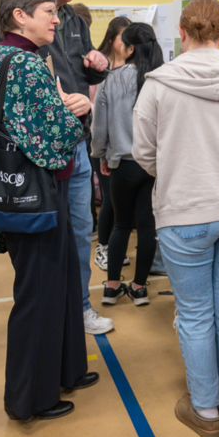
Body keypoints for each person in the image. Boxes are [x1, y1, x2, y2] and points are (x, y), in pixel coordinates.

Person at [132, 0, 219, 437]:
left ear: (181, 34)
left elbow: (143, 152)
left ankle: (204, 410)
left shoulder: (158, 85)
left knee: (194, 313)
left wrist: (175, 172)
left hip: (183, 211)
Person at [0, 0, 112, 335]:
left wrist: (97, 67)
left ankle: (77, 306)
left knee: (78, 232)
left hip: (73, 145)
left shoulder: (75, 22)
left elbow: (79, 74)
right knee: (42, 239)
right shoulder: (6, 21)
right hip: (34, 153)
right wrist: (30, 125)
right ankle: (50, 313)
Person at [0, 0, 97, 421]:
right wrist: (76, 110)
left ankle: (66, 369)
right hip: (36, 195)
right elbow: (50, 140)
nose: (56, 18)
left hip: (45, 191)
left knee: (61, 283)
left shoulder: (17, 57)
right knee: (40, 293)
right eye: (48, 11)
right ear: (19, 16)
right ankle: (31, 397)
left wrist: (60, 107)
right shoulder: (24, 63)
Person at [91, 23, 163, 307]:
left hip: (122, 163)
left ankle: (111, 288)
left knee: (121, 223)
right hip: (154, 165)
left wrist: (101, 155)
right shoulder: (161, 80)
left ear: (130, 48)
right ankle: (139, 288)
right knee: (147, 226)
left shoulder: (114, 78)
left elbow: (100, 125)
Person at [91, 16, 133, 272]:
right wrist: (101, 150)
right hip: (104, 147)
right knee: (110, 200)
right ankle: (103, 248)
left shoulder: (133, 68)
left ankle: (114, 248)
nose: (130, 44)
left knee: (122, 202)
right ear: (111, 39)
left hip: (125, 148)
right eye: (124, 38)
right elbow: (96, 115)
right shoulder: (97, 69)